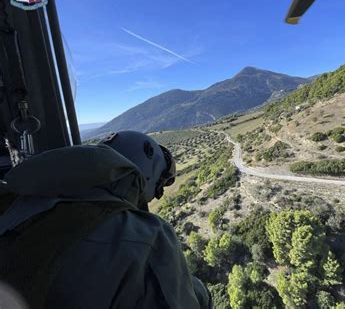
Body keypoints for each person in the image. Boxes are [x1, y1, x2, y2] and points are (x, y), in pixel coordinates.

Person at [0, 131, 211, 309]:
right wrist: (202, 294)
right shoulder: (146, 237)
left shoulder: (19, 202)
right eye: (156, 189)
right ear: (145, 176)